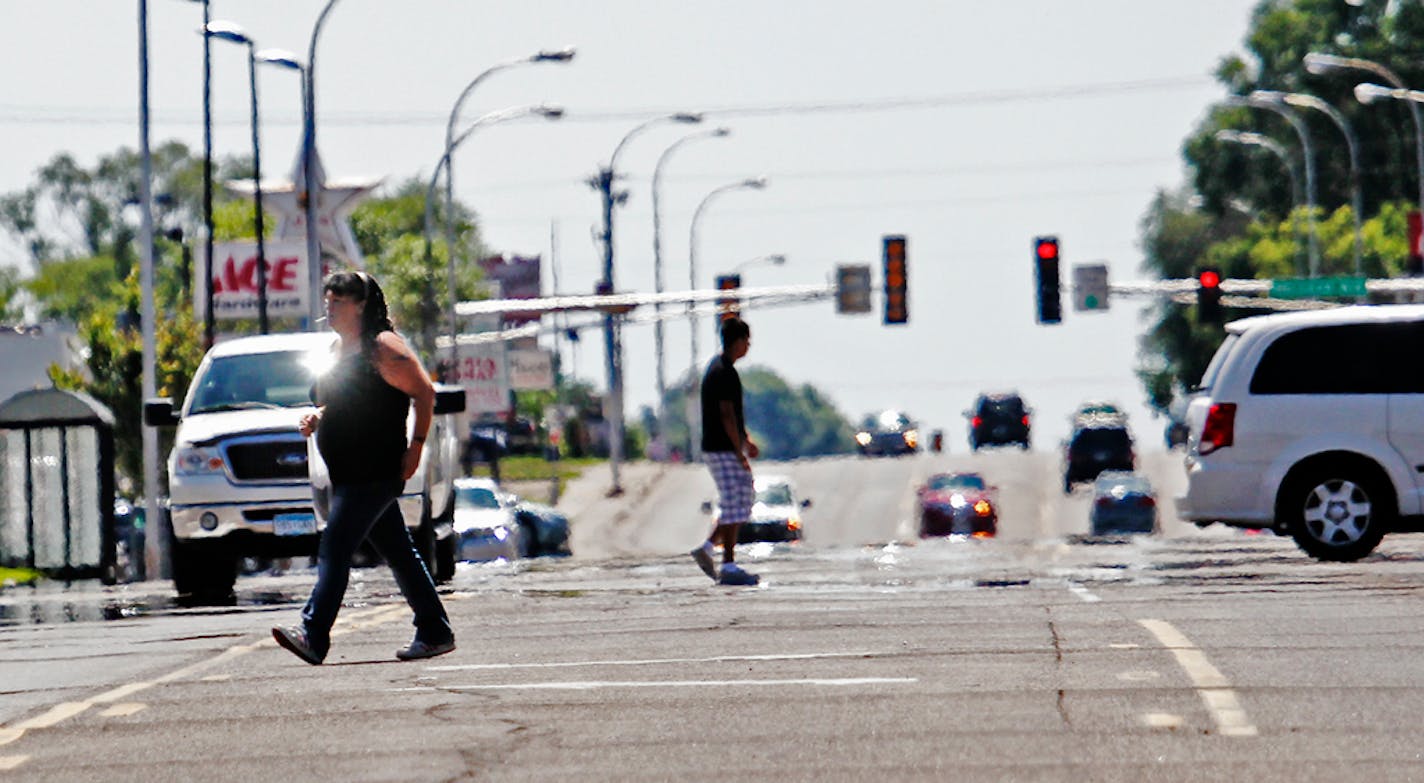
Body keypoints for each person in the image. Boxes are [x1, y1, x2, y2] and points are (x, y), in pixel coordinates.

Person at [271, 271, 455, 665]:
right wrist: (317, 418)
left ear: (361, 305)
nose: (330, 307)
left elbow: (424, 392)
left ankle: (314, 633)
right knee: (400, 553)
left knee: (335, 547)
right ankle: (435, 630)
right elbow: (348, 400)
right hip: (348, 472)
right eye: (328, 300)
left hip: (376, 469)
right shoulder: (338, 350)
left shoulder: (382, 347)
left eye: (339, 301)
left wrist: (417, 446)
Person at [690, 317, 761, 586]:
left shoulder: (723, 369)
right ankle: (727, 563)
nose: (749, 346)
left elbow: (735, 418)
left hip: (722, 446)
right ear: (738, 341)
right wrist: (739, 451)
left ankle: (709, 549)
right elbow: (727, 415)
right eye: (747, 340)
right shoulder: (722, 371)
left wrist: (747, 441)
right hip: (720, 447)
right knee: (736, 498)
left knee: (739, 498)